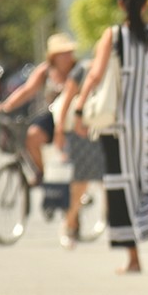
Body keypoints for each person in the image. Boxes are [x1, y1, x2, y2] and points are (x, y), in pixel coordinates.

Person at [71, 0, 148, 274]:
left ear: (121, 5)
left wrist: (80, 108)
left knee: (122, 186)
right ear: (145, 5)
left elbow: (94, 74)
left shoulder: (114, 35)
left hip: (121, 123)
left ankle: (133, 259)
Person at [0, 33, 78, 186]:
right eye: (62, 53)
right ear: (53, 56)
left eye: (68, 52)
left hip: (74, 117)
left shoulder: (77, 70)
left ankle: (75, 183)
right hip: (53, 115)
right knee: (32, 136)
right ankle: (45, 175)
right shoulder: (45, 71)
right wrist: (7, 105)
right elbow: (27, 90)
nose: (67, 56)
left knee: (71, 150)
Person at [51, 58, 106, 250]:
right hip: (79, 133)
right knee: (80, 183)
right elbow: (67, 98)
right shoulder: (84, 69)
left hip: (101, 133)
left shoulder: (112, 68)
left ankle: (78, 223)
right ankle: (68, 224)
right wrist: (59, 130)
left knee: (105, 181)